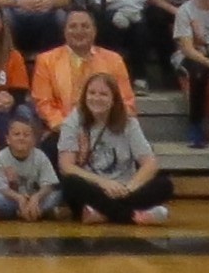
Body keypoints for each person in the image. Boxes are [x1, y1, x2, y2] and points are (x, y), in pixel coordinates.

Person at [54, 73, 171, 225]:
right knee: (70, 183)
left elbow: (150, 163)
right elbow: (66, 166)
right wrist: (103, 183)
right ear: (84, 95)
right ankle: (132, 216)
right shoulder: (73, 121)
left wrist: (128, 188)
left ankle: (102, 215)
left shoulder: (129, 123)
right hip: (92, 187)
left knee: (165, 185)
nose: (96, 98)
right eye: (92, 93)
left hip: (124, 188)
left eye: (103, 94)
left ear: (113, 99)